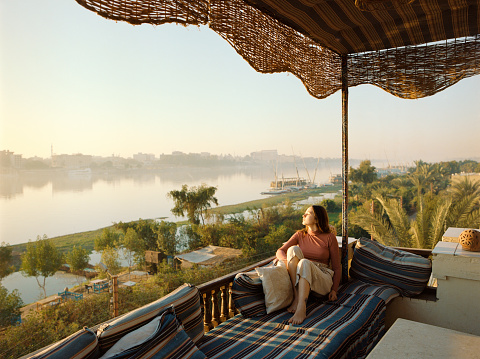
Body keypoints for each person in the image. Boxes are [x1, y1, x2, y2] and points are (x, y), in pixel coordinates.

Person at [276, 205, 341, 324]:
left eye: (308, 213)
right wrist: (286, 261)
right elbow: (280, 251)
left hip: (322, 277)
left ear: (316, 219)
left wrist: (334, 290)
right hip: (303, 275)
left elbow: (337, 267)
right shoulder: (300, 235)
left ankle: (301, 308)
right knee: (293, 250)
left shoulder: (330, 238)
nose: (303, 215)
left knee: (305, 262)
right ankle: (297, 297)